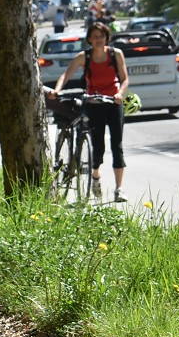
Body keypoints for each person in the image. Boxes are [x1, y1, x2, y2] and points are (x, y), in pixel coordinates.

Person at [51, 21, 129, 202]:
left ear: (106, 38)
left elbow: (125, 79)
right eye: (95, 37)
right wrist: (57, 89)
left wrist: (119, 94)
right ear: (89, 40)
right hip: (93, 104)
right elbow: (66, 75)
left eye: (101, 36)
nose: (98, 40)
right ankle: (95, 175)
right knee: (98, 146)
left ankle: (119, 188)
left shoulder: (115, 54)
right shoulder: (83, 57)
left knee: (117, 146)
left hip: (113, 103)